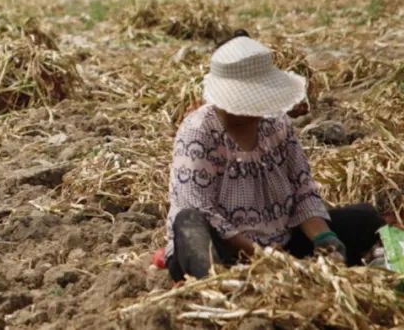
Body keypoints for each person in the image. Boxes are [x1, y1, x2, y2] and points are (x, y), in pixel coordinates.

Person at [164, 31, 385, 281]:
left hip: (279, 242)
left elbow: (302, 190)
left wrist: (325, 239)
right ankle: (216, 284)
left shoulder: (276, 125)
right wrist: (263, 256)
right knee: (189, 223)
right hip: (225, 249)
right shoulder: (199, 132)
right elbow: (202, 209)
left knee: (365, 219)